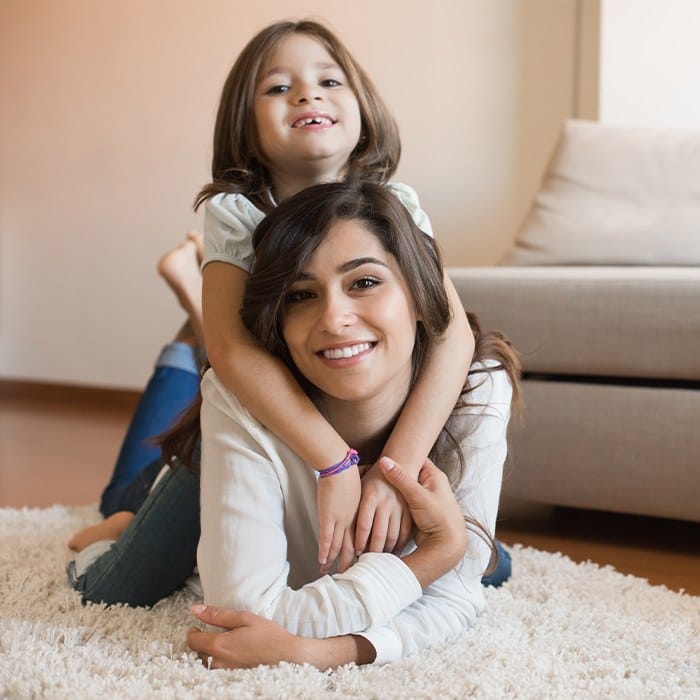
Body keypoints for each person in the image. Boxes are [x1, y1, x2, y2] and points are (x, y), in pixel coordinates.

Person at [185, 181, 520, 668]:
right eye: (301, 294)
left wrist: (318, 652)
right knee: (124, 571)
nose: (335, 318)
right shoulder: (240, 398)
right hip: (191, 470)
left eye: (364, 282)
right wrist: (435, 556)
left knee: (491, 563)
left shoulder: (477, 390)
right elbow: (240, 618)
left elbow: (454, 600)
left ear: (420, 296)